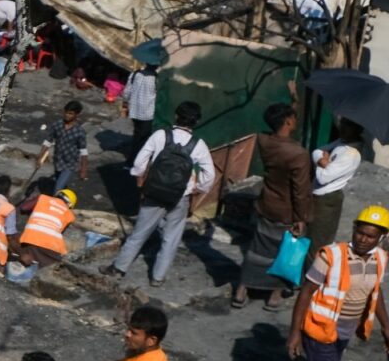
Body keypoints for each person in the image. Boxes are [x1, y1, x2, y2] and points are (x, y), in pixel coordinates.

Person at [286, 206, 389, 361]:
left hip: (344, 331)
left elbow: (375, 292)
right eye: (360, 233)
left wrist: (387, 327)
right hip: (320, 329)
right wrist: (295, 333)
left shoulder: (380, 258)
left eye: (370, 236)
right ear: (354, 229)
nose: (363, 239)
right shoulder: (332, 256)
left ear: (381, 237)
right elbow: (306, 292)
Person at [109, 101, 215, 285]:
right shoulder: (198, 145)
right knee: (171, 238)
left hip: (154, 192)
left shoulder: (160, 135)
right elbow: (209, 175)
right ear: (196, 122)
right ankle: (157, 277)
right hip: (180, 196)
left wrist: (139, 179)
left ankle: (119, 268)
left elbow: (140, 162)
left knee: (140, 232)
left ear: (176, 116)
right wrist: (197, 189)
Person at [234, 103, 313, 311]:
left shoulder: (263, 140)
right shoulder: (298, 154)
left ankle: (242, 289)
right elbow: (300, 190)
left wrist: (294, 100)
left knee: (257, 248)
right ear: (288, 121)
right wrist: (301, 217)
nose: (296, 120)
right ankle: (274, 294)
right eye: (293, 117)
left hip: (266, 204)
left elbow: (276, 129)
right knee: (284, 253)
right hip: (287, 211)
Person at [308, 121, 364, 251]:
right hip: (318, 196)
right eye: (342, 123)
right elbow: (317, 151)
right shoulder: (342, 142)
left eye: (348, 125)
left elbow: (323, 178)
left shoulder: (351, 155)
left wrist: (321, 162)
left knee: (318, 242)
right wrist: (322, 160)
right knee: (310, 235)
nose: (342, 128)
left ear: (358, 130)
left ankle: (315, 264)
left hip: (327, 199)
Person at [34, 100, 90, 193]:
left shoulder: (79, 132)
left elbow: (83, 151)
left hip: (70, 164)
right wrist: (40, 157)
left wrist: (83, 169)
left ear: (77, 115)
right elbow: (48, 141)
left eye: (70, 113)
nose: (67, 115)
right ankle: (63, 198)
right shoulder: (57, 125)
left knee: (57, 189)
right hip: (58, 161)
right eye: (66, 112)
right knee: (59, 183)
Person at [15, 187, 77, 270]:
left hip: (30, 239)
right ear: (70, 204)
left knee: (26, 260)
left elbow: (24, 208)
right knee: (55, 267)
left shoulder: (43, 198)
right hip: (52, 247)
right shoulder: (70, 215)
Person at [120, 62, 159, 158]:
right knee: (143, 139)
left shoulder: (135, 74)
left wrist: (125, 105)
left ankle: (133, 156)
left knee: (137, 134)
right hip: (147, 114)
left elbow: (126, 92)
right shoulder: (156, 79)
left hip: (134, 111)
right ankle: (135, 159)